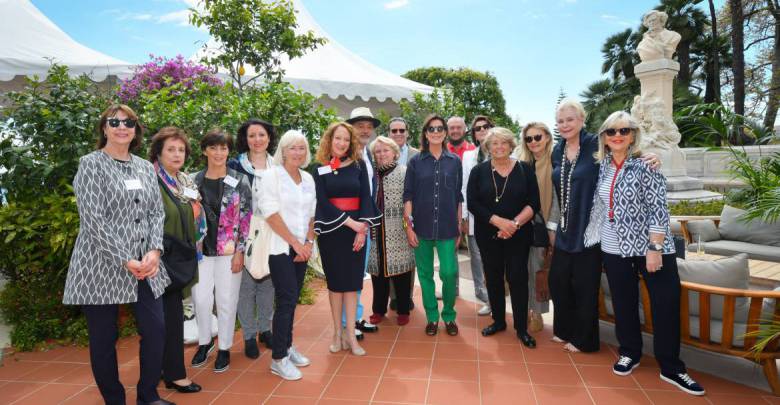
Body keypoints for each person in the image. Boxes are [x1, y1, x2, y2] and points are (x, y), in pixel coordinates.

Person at [584, 111, 705, 395]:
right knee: (624, 304)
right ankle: (630, 352)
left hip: (651, 249)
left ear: (633, 135)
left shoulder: (645, 166)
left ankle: (672, 367)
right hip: (613, 249)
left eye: (624, 131)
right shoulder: (601, 167)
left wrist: (654, 249)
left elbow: (659, 211)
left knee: (665, 307)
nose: (617, 136)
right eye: (611, 131)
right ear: (603, 137)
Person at [63, 104, 174, 405]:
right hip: (101, 263)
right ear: (104, 128)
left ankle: (148, 395)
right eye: (115, 122)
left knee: (156, 330)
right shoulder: (91, 164)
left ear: (136, 130)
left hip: (145, 264)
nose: (121, 127)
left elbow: (155, 213)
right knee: (103, 339)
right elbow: (93, 220)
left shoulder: (143, 167)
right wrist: (126, 259)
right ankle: (114, 399)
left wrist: (153, 251)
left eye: (129, 122)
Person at [550, 99, 660, 353]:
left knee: (586, 285)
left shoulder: (594, 144)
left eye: (570, 119)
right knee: (559, 281)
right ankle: (564, 329)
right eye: (560, 121)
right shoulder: (557, 150)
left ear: (582, 120)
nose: (565, 125)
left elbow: (624, 151)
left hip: (592, 228)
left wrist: (650, 156)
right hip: (566, 227)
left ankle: (584, 340)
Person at [467, 127, 539, 348]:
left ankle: (521, 328)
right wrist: (499, 222)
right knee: (494, 277)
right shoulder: (478, 171)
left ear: (511, 145)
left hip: (519, 234)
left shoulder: (525, 169)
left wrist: (514, 224)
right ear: (488, 147)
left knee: (518, 278)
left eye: (503, 143)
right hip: (488, 233)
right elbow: (473, 203)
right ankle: (498, 321)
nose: (499, 147)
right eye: (494, 144)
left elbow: (533, 204)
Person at [313, 122, 381, 356]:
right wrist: (350, 223)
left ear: (350, 142)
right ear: (329, 140)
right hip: (333, 232)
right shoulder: (318, 167)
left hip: (357, 231)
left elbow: (365, 197)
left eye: (345, 139)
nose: (341, 143)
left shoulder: (360, 165)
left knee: (352, 285)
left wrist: (361, 229)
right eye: (337, 138)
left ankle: (351, 335)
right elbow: (322, 202)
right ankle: (336, 333)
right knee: (335, 286)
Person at [149, 127, 205, 394]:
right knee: (161, 321)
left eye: (181, 149)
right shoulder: (150, 178)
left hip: (178, 258)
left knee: (170, 318)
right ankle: (173, 374)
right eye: (170, 149)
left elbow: (198, 216)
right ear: (158, 152)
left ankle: (167, 370)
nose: (176, 154)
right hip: (155, 259)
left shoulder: (184, 181)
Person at [191, 130, 252, 372]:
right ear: (204, 150)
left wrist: (240, 251)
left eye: (223, 148)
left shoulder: (239, 179)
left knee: (226, 301)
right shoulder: (191, 180)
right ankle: (205, 343)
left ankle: (224, 347)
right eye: (213, 148)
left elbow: (246, 218)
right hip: (199, 251)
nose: (219, 153)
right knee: (200, 299)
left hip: (229, 252)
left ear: (229, 151)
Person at [259, 130, 317, 381]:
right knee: (286, 299)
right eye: (292, 147)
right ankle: (278, 358)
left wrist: (308, 242)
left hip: (301, 248)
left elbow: (313, 215)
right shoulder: (271, 176)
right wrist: (296, 243)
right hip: (280, 248)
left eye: (302, 148)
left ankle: (288, 346)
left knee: (291, 301)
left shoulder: (307, 178)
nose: (297, 152)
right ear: (282, 150)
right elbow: (271, 214)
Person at [404, 114, 463, 337]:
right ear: (425, 133)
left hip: (448, 227)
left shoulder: (454, 162)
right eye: (431, 129)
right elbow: (407, 196)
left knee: (449, 273)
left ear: (445, 132)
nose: (436, 132)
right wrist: (408, 227)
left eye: (440, 128)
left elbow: (458, 196)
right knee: (425, 274)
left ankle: (449, 314)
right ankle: (432, 317)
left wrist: (459, 225)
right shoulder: (415, 162)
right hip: (421, 227)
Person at [227, 119, 276, 359]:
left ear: (269, 137)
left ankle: (266, 330)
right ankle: (248, 334)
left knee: (268, 283)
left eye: (261, 135)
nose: (257, 140)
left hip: (273, 230)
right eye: (252, 135)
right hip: (244, 231)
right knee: (246, 287)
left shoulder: (278, 164)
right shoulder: (235, 164)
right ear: (245, 139)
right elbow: (229, 200)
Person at [367, 136, 416, 326]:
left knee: (402, 273)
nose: (381, 154)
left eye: (385, 150)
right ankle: (378, 310)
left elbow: (410, 202)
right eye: (377, 151)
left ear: (395, 152)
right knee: (377, 274)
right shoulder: (371, 175)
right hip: (376, 230)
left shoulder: (405, 172)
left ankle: (403, 310)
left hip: (399, 229)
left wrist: (408, 228)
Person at [344, 107, 382, 338]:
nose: (365, 130)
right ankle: (346, 322)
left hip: (364, 224)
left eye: (369, 126)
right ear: (351, 128)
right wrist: (355, 223)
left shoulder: (367, 154)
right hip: (350, 225)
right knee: (347, 275)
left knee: (357, 274)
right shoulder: (345, 155)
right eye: (360, 126)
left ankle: (355, 318)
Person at [514, 122, 556, 333]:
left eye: (537, 137)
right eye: (528, 139)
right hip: (522, 225)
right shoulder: (522, 163)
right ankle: (530, 312)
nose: (533, 142)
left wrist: (552, 227)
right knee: (525, 270)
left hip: (546, 225)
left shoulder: (556, 160)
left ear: (547, 137)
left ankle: (537, 313)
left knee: (539, 269)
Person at [461, 115, 494, 316]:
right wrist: (464, 216)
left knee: (496, 261)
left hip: (499, 218)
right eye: (477, 128)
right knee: (477, 258)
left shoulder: (506, 153)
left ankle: (496, 297)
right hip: (475, 216)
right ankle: (485, 297)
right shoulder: (468, 157)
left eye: (485, 126)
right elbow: (464, 187)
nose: (481, 130)